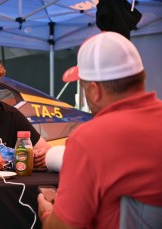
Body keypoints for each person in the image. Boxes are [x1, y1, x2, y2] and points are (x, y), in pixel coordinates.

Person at [37, 31, 162, 228]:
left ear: (94, 91)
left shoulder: (90, 139)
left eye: (84, 87)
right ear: (141, 77)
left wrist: (47, 215)